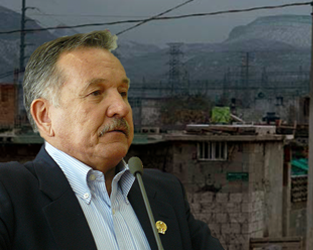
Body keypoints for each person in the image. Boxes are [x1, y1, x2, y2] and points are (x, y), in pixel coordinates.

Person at [0, 31, 223, 250]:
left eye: (123, 92)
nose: (121, 108)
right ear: (45, 115)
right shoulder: (11, 194)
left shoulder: (164, 192)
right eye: (96, 93)